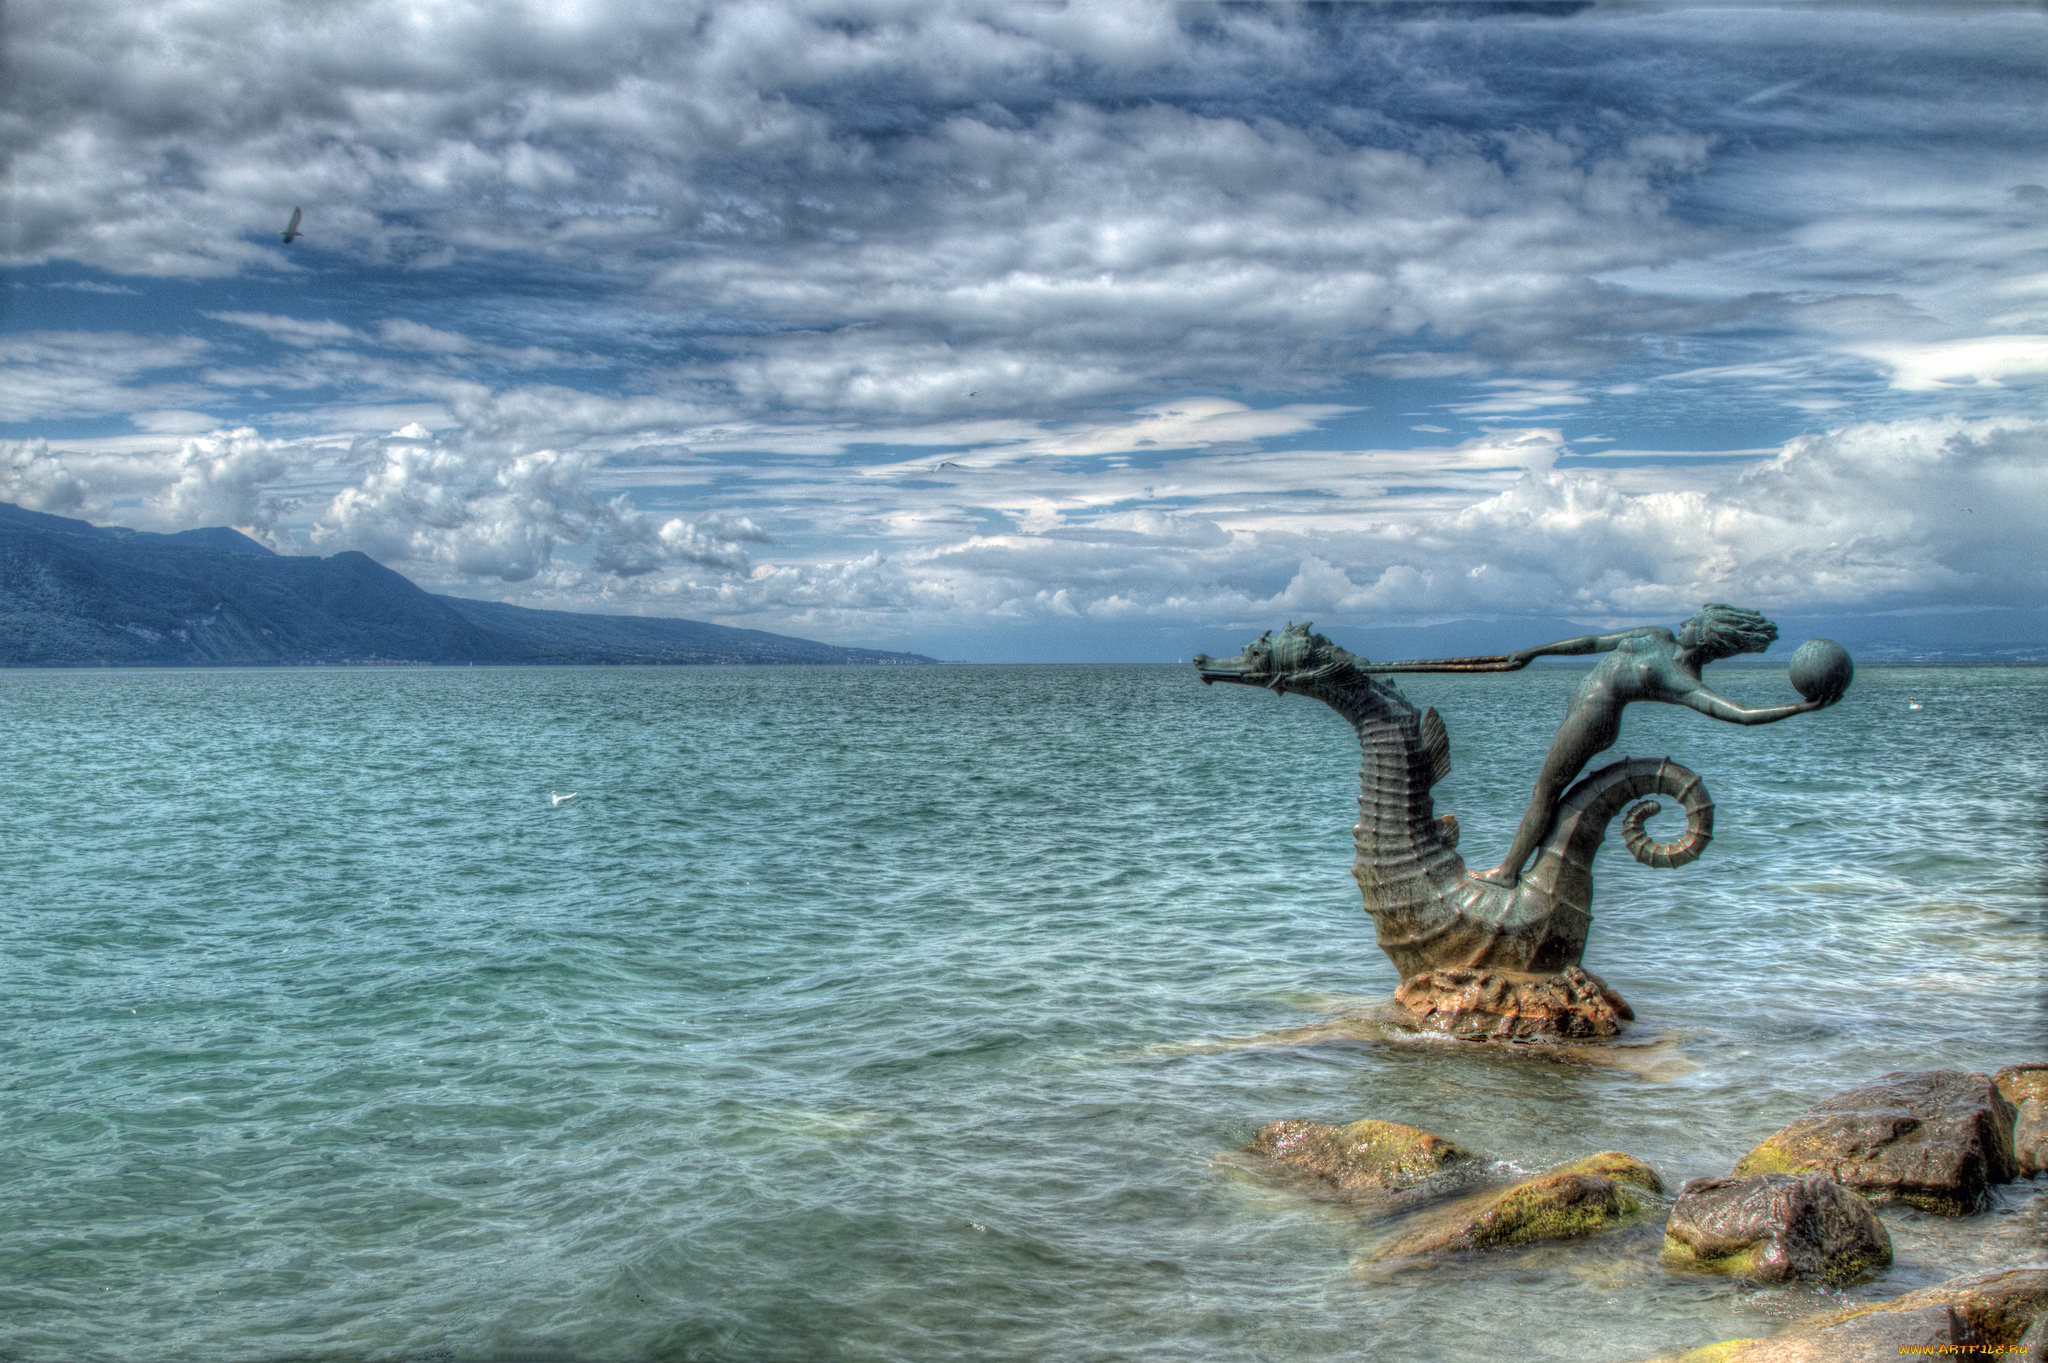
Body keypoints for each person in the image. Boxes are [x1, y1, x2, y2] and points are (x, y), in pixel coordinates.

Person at [1382, 604, 1838, 888]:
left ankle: (1507, 872)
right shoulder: (1654, 635)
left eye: (1696, 620)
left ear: (1707, 636)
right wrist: (1537, 651)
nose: (1686, 620)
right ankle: (1519, 867)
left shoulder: (1679, 679)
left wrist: (1798, 709)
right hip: (1582, 714)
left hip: (1593, 723)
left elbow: (1735, 713)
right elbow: (1595, 642)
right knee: (1550, 792)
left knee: (1544, 792)